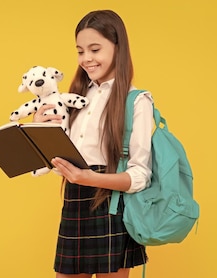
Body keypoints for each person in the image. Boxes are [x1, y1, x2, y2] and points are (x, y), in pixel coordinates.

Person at [33, 10, 154, 278]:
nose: (86, 58)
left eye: (95, 49)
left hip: (113, 207)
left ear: (118, 47)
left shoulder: (136, 101)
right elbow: (61, 163)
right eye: (80, 51)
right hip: (75, 202)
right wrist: (42, 133)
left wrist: (89, 178)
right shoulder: (73, 97)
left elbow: (140, 176)